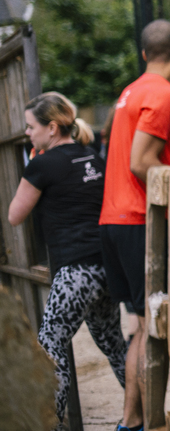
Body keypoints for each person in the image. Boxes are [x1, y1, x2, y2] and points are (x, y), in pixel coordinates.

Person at [8, 93, 127, 427]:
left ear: (52, 127)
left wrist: (31, 170)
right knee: (115, 347)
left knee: (50, 350)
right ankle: (142, 415)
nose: (28, 133)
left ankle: (52, 423)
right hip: (105, 268)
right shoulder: (91, 157)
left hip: (74, 272)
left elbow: (15, 214)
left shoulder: (43, 164)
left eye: (32, 127)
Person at [100, 20, 170, 431]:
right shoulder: (163, 94)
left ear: (145, 53)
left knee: (141, 326)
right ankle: (148, 423)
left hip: (113, 220)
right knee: (156, 327)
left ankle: (130, 423)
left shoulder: (130, 91)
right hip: (139, 223)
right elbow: (140, 162)